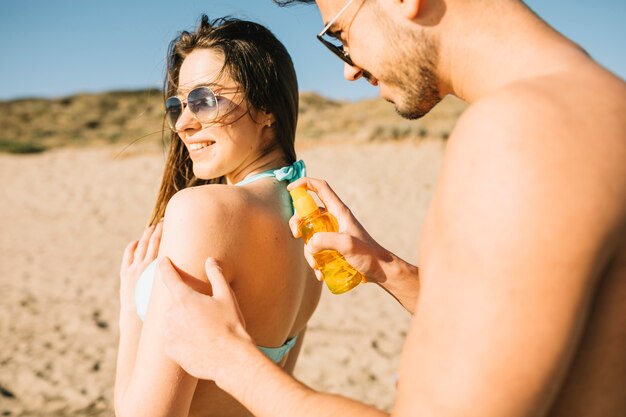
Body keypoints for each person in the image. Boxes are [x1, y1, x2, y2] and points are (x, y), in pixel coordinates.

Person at [159, 0, 626, 416]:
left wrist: (230, 358)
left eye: (339, 33)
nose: (349, 69)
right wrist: (388, 268)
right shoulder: (592, 106)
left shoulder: (525, 130)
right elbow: (528, 336)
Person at [114, 15, 321, 417]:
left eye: (205, 100)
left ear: (266, 108)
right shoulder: (310, 218)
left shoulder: (202, 210)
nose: (184, 124)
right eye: (177, 106)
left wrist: (130, 310)